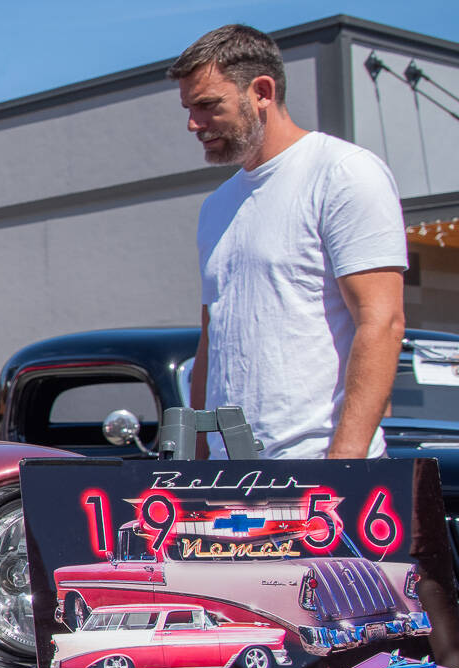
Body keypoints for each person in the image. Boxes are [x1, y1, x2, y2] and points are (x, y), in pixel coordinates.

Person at [171, 24, 407, 459]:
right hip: (229, 478)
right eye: (189, 108)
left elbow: (382, 322)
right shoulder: (216, 207)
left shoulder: (343, 172)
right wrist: (199, 460)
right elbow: (213, 341)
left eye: (207, 105)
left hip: (320, 471)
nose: (193, 123)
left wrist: (345, 468)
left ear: (261, 91)